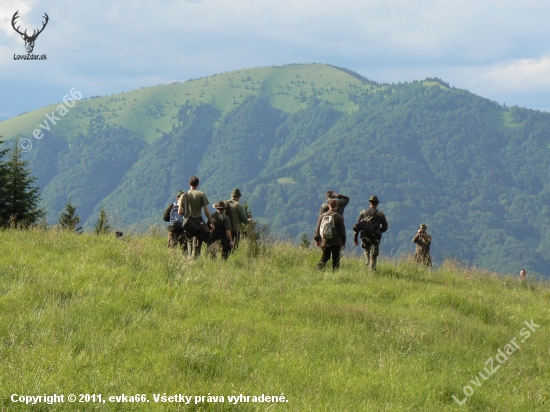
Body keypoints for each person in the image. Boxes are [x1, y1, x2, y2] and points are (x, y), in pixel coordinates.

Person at [178, 176, 213, 257]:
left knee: (189, 242)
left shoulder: (184, 195)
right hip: (198, 222)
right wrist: (211, 222)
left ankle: (190, 259)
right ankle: (195, 259)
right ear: (198, 184)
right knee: (198, 242)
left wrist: (187, 215)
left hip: (188, 222)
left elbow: (180, 211)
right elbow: (207, 211)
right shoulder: (201, 194)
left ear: (189, 184)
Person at [353, 195, 388, 271]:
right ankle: (372, 270)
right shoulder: (380, 214)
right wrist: (379, 231)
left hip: (365, 236)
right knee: (374, 254)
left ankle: (368, 265)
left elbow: (357, 227)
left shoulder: (363, 213)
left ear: (369, 203)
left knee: (366, 251)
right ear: (377, 204)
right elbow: (385, 226)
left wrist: (355, 239)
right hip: (375, 237)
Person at [314, 198, 346, 270]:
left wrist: (317, 240)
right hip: (335, 242)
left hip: (325, 241)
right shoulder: (338, 217)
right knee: (336, 259)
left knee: (325, 257)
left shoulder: (322, 216)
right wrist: (343, 242)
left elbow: (318, 228)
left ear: (328, 206)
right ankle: (335, 273)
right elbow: (342, 231)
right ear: (337, 206)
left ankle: (317, 269)